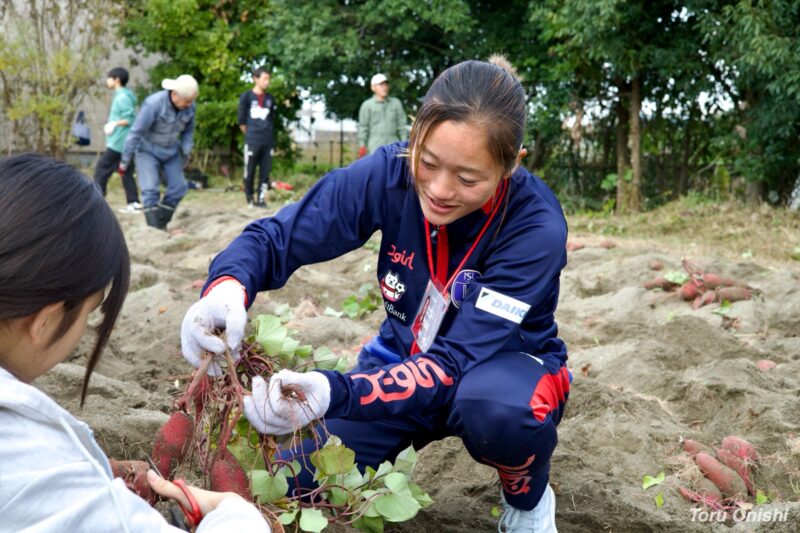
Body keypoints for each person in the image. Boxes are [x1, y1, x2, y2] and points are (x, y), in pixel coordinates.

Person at [181, 56, 568, 532]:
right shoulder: (389, 175)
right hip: (403, 363)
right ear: (415, 135)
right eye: (427, 162)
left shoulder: (534, 226)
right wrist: (225, 290)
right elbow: (277, 238)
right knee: (304, 482)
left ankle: (528, 503)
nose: (440, 190)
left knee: (495, 413)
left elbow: (456, 362)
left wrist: (335, 390)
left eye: (468, 179)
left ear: (512, 165)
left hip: (498, 372)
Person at [0, 154, 270, 532]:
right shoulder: (32, 463)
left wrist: (95, 471)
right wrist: (237, 513)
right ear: (45, 321)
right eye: (92, 312)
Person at [120, 74, 199, 230]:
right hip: (148, 150)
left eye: (192, 101)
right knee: (150, 190)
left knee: (179, 188)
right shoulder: (154, 104)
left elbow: (188, 132)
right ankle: (153, 229)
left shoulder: (190, 107)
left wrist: (186, 152)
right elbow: (136, 132)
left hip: (172, 151)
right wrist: (125, 161)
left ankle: (161, 222)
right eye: (187, 101)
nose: (190, 105)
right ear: (175, 94)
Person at [93, 67, 142, 214]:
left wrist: (114, 124)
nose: (107, 81)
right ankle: (133, 202)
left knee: (101, 170)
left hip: (119, 142)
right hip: (124, 142)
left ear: (117, 80)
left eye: (109, 78)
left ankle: (96, 201)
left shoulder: (122, 97)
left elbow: (129, 118)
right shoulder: (125, 95)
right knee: (125, 172)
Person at [238, 67, 277, 208]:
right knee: (250, 171)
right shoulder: (246, 97)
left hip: (268, 141)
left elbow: (272, 120)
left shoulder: (270, 99)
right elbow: (241, 121)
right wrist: (251, 135)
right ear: (256, 78)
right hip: (252, 140)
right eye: (264, 78)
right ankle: (250, 199)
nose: (267, 82)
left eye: (268, 79)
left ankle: (261, 199)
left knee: (265, 172)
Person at [357, 73, 408, 158]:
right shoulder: (367, 105)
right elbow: (363, 128)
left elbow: (402, 127)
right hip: (374, 147)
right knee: (377, 170)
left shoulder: (396, 103)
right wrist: (362, 146)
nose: (384, 87)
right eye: (381, 85)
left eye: (386, 84)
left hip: (394, 147)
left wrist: (406, 146)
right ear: (373, 87)